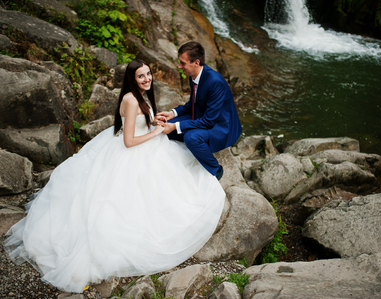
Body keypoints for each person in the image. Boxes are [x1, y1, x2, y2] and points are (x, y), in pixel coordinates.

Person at [3, 59, 225, 293]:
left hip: (144, 141)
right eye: (141, 76)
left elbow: (140, 122)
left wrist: (154, 122)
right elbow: (129, 142)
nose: (147, 79)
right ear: (132, 79)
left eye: (149, 74)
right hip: (131, 150)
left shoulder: (141, 94)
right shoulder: (130, 99)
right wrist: (157, 132)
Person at [157, 41, 242, 180]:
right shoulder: (194, 76)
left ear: (196, 62)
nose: (179, 66)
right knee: (164, 125)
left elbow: (209, 121)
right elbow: (193, 104)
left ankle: (216, 170)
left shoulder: (215, 82)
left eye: (183, 63)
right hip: (203, 117)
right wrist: (173, 113)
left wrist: (175, 126)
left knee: (191, 137)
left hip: (219, 126)